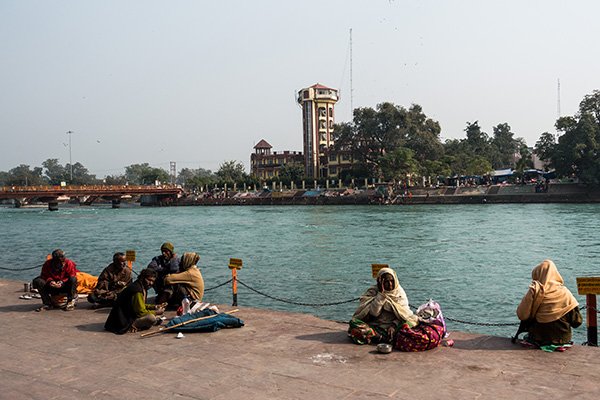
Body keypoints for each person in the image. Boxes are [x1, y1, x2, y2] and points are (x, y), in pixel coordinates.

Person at [515, 259, 583, 349]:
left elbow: (522, 315)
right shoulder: (565, 293)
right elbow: (577, 322)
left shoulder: (535, 291)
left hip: (537, 338)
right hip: (562, 339)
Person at [348, 267, 419, 345]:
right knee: (354, 323)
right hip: (376, 326)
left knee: (410, 322)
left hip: (392, 327)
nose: (390, 284)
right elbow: (374, 313)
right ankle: (380, 337)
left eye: (392, 281)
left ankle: (377, 337)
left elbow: (404, 314)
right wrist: (381, 294)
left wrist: (394, 326)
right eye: (386, 281)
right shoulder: (373, 291)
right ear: (379, 282)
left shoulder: (399, 293)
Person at [104, 268, 165, 334]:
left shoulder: (140, 286)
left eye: (153, 281)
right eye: (149, 280)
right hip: (123, 321)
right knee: (151, 318)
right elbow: (141, 312)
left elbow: (140, 305)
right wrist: (156, 312)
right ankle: (132, 326)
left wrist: (154, 307)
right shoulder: (137, 290)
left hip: (125, 316)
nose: (150, 283)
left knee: (153, 317)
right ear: (142, 277)